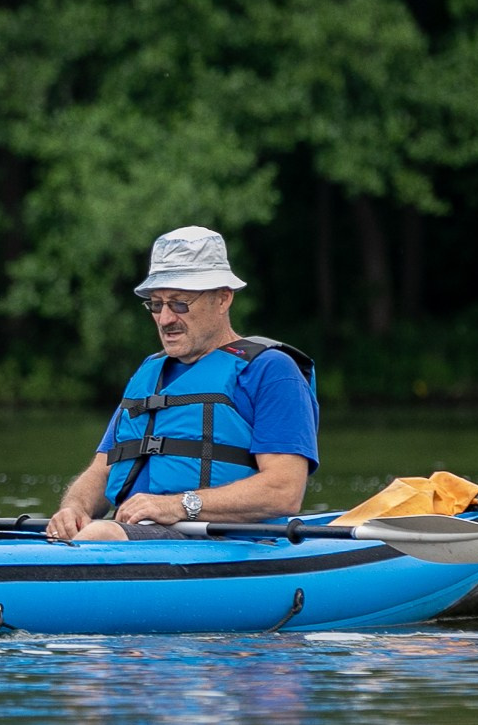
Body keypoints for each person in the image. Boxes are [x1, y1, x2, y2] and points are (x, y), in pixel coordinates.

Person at [47, 226, 319, 543]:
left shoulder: (271, 371)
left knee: (99, 536)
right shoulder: (149, 373)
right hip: (134, 534)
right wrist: (73, 509)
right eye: (156, 304)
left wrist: (178, 505)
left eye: (179, 303)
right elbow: (101, 470)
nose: (165, 319)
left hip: (227, 543)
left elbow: (283, 491)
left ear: (223, 298)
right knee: (81, 532)